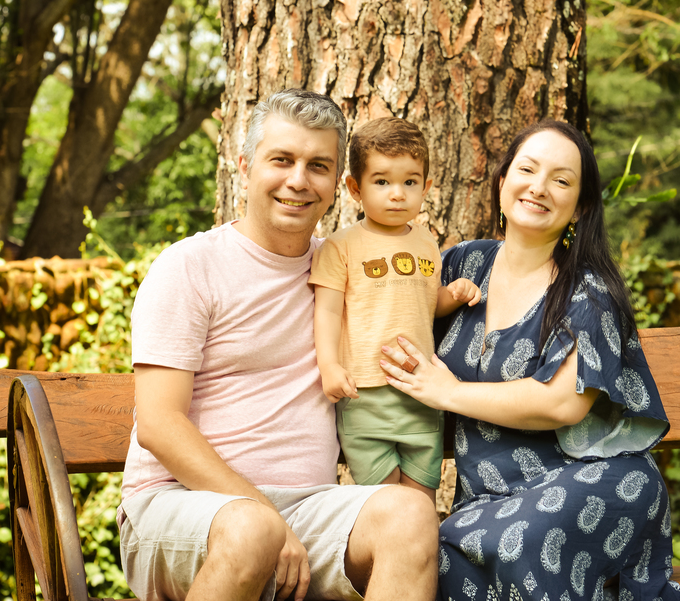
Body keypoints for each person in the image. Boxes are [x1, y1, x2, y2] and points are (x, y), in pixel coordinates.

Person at [117, 89, 439, 601]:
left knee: (410, 514)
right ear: (244, 165)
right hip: (181, 503)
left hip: (308, 508)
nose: (298, 180)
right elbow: (158, 425)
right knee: (252, 532)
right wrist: (261, 512)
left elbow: (415, 308)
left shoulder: (344, 269)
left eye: (318, 166)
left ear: (339, 184)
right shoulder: (189, 267)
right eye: (282, 159)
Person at [381, 120, 680, 601]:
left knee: (523, 541)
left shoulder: (588, 289)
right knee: (438, 558)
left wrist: (448, 392)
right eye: (527, 169)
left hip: (592, 480)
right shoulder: (462, 264)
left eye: (561, 180)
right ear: (503, 183)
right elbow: (387, 311)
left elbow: (562, 404)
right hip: (488, 500)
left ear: (580, 207)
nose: (539, 187)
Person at [310, 117, 480, 501]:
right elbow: (327, 313)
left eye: (410, 182)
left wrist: (453, 294)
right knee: (386, 506)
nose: (397, 194)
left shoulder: (425, 241)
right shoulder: (341, 246)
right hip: (365, 395)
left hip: (420, 392)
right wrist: (330, 367)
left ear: (426, 187)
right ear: (355, 187)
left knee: (420, 501)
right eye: (382, 181)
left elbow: (427, 302)